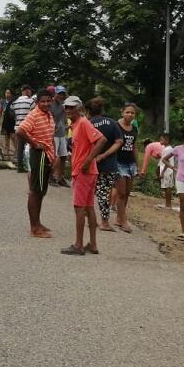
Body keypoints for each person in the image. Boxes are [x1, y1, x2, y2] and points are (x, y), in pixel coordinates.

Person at [61, 96, 106, 255]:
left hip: (84, 171)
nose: (68, 110)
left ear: (79, 109)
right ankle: (92, 244)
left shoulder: (83, 122)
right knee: (88, 207)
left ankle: (78, 245)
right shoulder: (75, 124)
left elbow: (101, 140)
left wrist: (87, 161)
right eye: (66, 107)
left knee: (79, 208)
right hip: (87, 171)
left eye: (71, 107)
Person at [16, 89, 56, 238]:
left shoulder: (48, 114)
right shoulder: (34, 115)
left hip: (47, 155)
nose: (46, 103)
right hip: (38, 155)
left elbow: (50, 135)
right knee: (35, 191)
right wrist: (34, 144)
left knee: (41, 191)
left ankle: (38, 223)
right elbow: (20, 131)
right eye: (42, 101)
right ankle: (34, 228)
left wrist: (54, 154)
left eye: (48, 101)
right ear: (37, 102)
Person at [86, 97, 124, 232]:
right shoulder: (112, 123)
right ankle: (104, 222)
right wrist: (105, 155)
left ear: (88, 110)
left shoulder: (87, 123)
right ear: (102, 109)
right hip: (109, 164)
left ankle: (91, 220)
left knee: (88, 192)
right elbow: (119, 142)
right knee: (103, 192)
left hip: (89, 163)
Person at [113, 104, 138, 232]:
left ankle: (119, 217)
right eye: (127, 112)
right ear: (122, 112)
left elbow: (134, 146)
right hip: (118, 162)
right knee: (121, 192)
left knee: (127, 193)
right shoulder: (115, 126)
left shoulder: (134, 128)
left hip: (130, 163)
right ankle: (124, 220)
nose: (130, 115)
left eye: (132, 113)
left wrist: (137, 164)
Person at [10, 85, 36, 172]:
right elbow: (34, 113)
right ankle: (30, 166)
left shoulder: (15, 102)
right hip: (28, 127)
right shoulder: (31, 101)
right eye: (30, 91)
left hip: (18, 127)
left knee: (20, 148)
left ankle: (20, 167)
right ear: (27, 91)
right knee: (31, 147)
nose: (31, 93)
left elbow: (12, 112)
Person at [50, 87, 69, 187]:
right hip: (53, 133)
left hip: (62, 133)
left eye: (63, 94)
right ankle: (51, 176)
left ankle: (60, 177)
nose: (61, 96)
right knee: (54, 157)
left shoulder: (63, 104)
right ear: (55, 94)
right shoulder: (51, 104)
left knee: (63, 156)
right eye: (59, 94)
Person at [152, 134, 176, 210]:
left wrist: (162, 172)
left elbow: (167, 161)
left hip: (167, 171)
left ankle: (168, 205)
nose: (160, 141)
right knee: (166, 187)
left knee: (167, 187)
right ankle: (167, 204)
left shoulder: (168, 149)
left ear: (167, 140)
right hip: (166, 170)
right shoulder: (166, 149)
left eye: (162, 140)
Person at [0, 89, 16, 159]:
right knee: (6, 138)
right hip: (5, 122)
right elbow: (0, 111)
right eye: (6, 93)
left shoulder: (14, 102)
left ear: (11, 94)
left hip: (13, 122)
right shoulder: (2, 102)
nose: (7, 94)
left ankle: (16, 152)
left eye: (9, 93)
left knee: (13, 138)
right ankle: (6, 153)